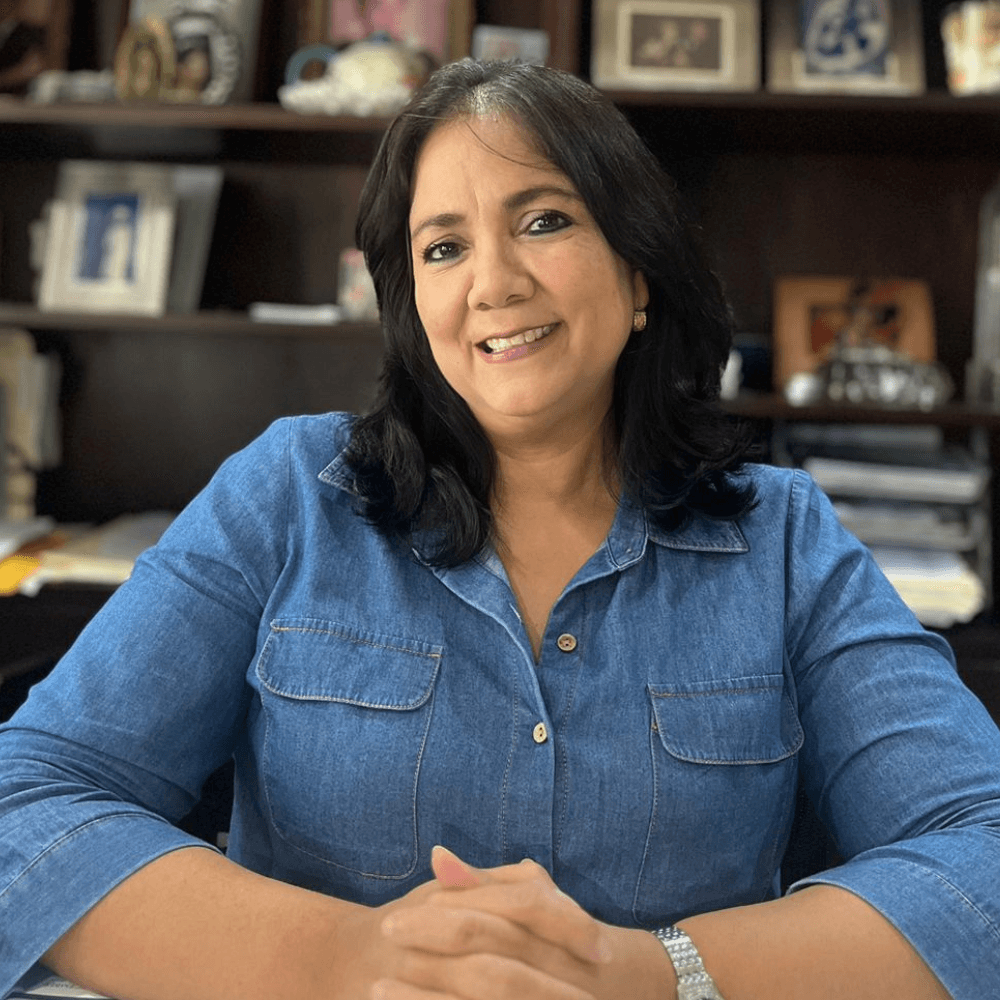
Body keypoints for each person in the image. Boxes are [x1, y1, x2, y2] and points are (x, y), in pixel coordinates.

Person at [1, 57, 999, 1000]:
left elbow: (980, 845)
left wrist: (654, 972)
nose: (493, 282)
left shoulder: (783, 541)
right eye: (443, 246)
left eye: (543, 220)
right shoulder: (290, 494)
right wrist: (357, 959)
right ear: (414, 303)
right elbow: (27, 799)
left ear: (638, 272)